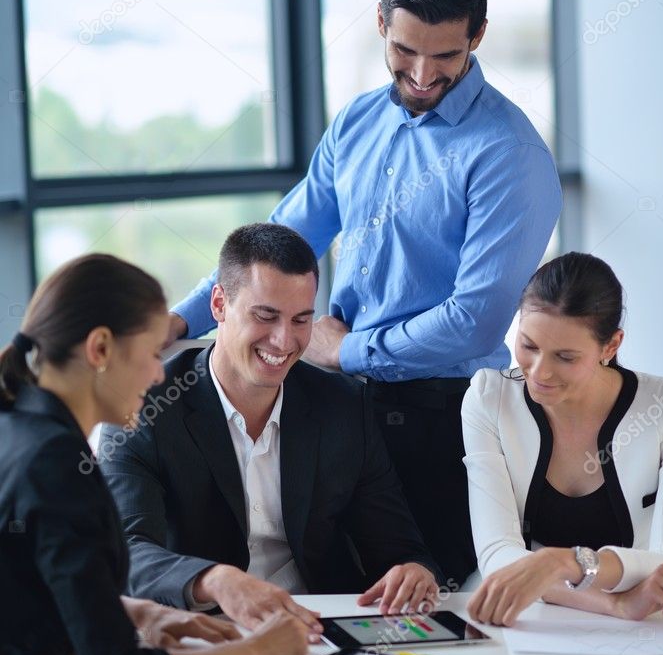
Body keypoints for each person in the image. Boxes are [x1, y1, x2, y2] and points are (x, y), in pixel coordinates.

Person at [164, 0, 563, 588]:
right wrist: (181, 320)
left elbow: (471, 321)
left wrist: (341, 351)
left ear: (479, 34)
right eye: (403, 51)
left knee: (431, 608)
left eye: (446, 57)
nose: (422, 75)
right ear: (379, 21)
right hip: (337, 410)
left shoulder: (508, 155)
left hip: (445, 422)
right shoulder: (355, 124)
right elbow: (279, 237)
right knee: (339, 598)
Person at [0, 254, 308, 655]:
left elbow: (29, 591)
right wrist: (261, 653)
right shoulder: (58, 465)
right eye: (148, 352)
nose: (156, 371)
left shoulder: (17, 428)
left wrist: (143, 612)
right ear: (99, 348)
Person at [99, 224, 441, 629]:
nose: (283, 341)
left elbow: (399, 546)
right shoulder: (144, 407)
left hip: (320, 624)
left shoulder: (345, 405)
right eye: (266, 316)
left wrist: (415, 571)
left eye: (301, 320)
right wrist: (214, 580)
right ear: (219, 304)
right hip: (205, 627)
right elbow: (127, 551)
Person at [463, 252, 663, 627]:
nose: (539, 372)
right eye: (529, 346)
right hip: (531, 616)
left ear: (611, 346)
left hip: (649, 622)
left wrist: (560, 562)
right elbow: (497, 553)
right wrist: (613, 604)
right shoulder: (488, 397)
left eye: (565, 356)